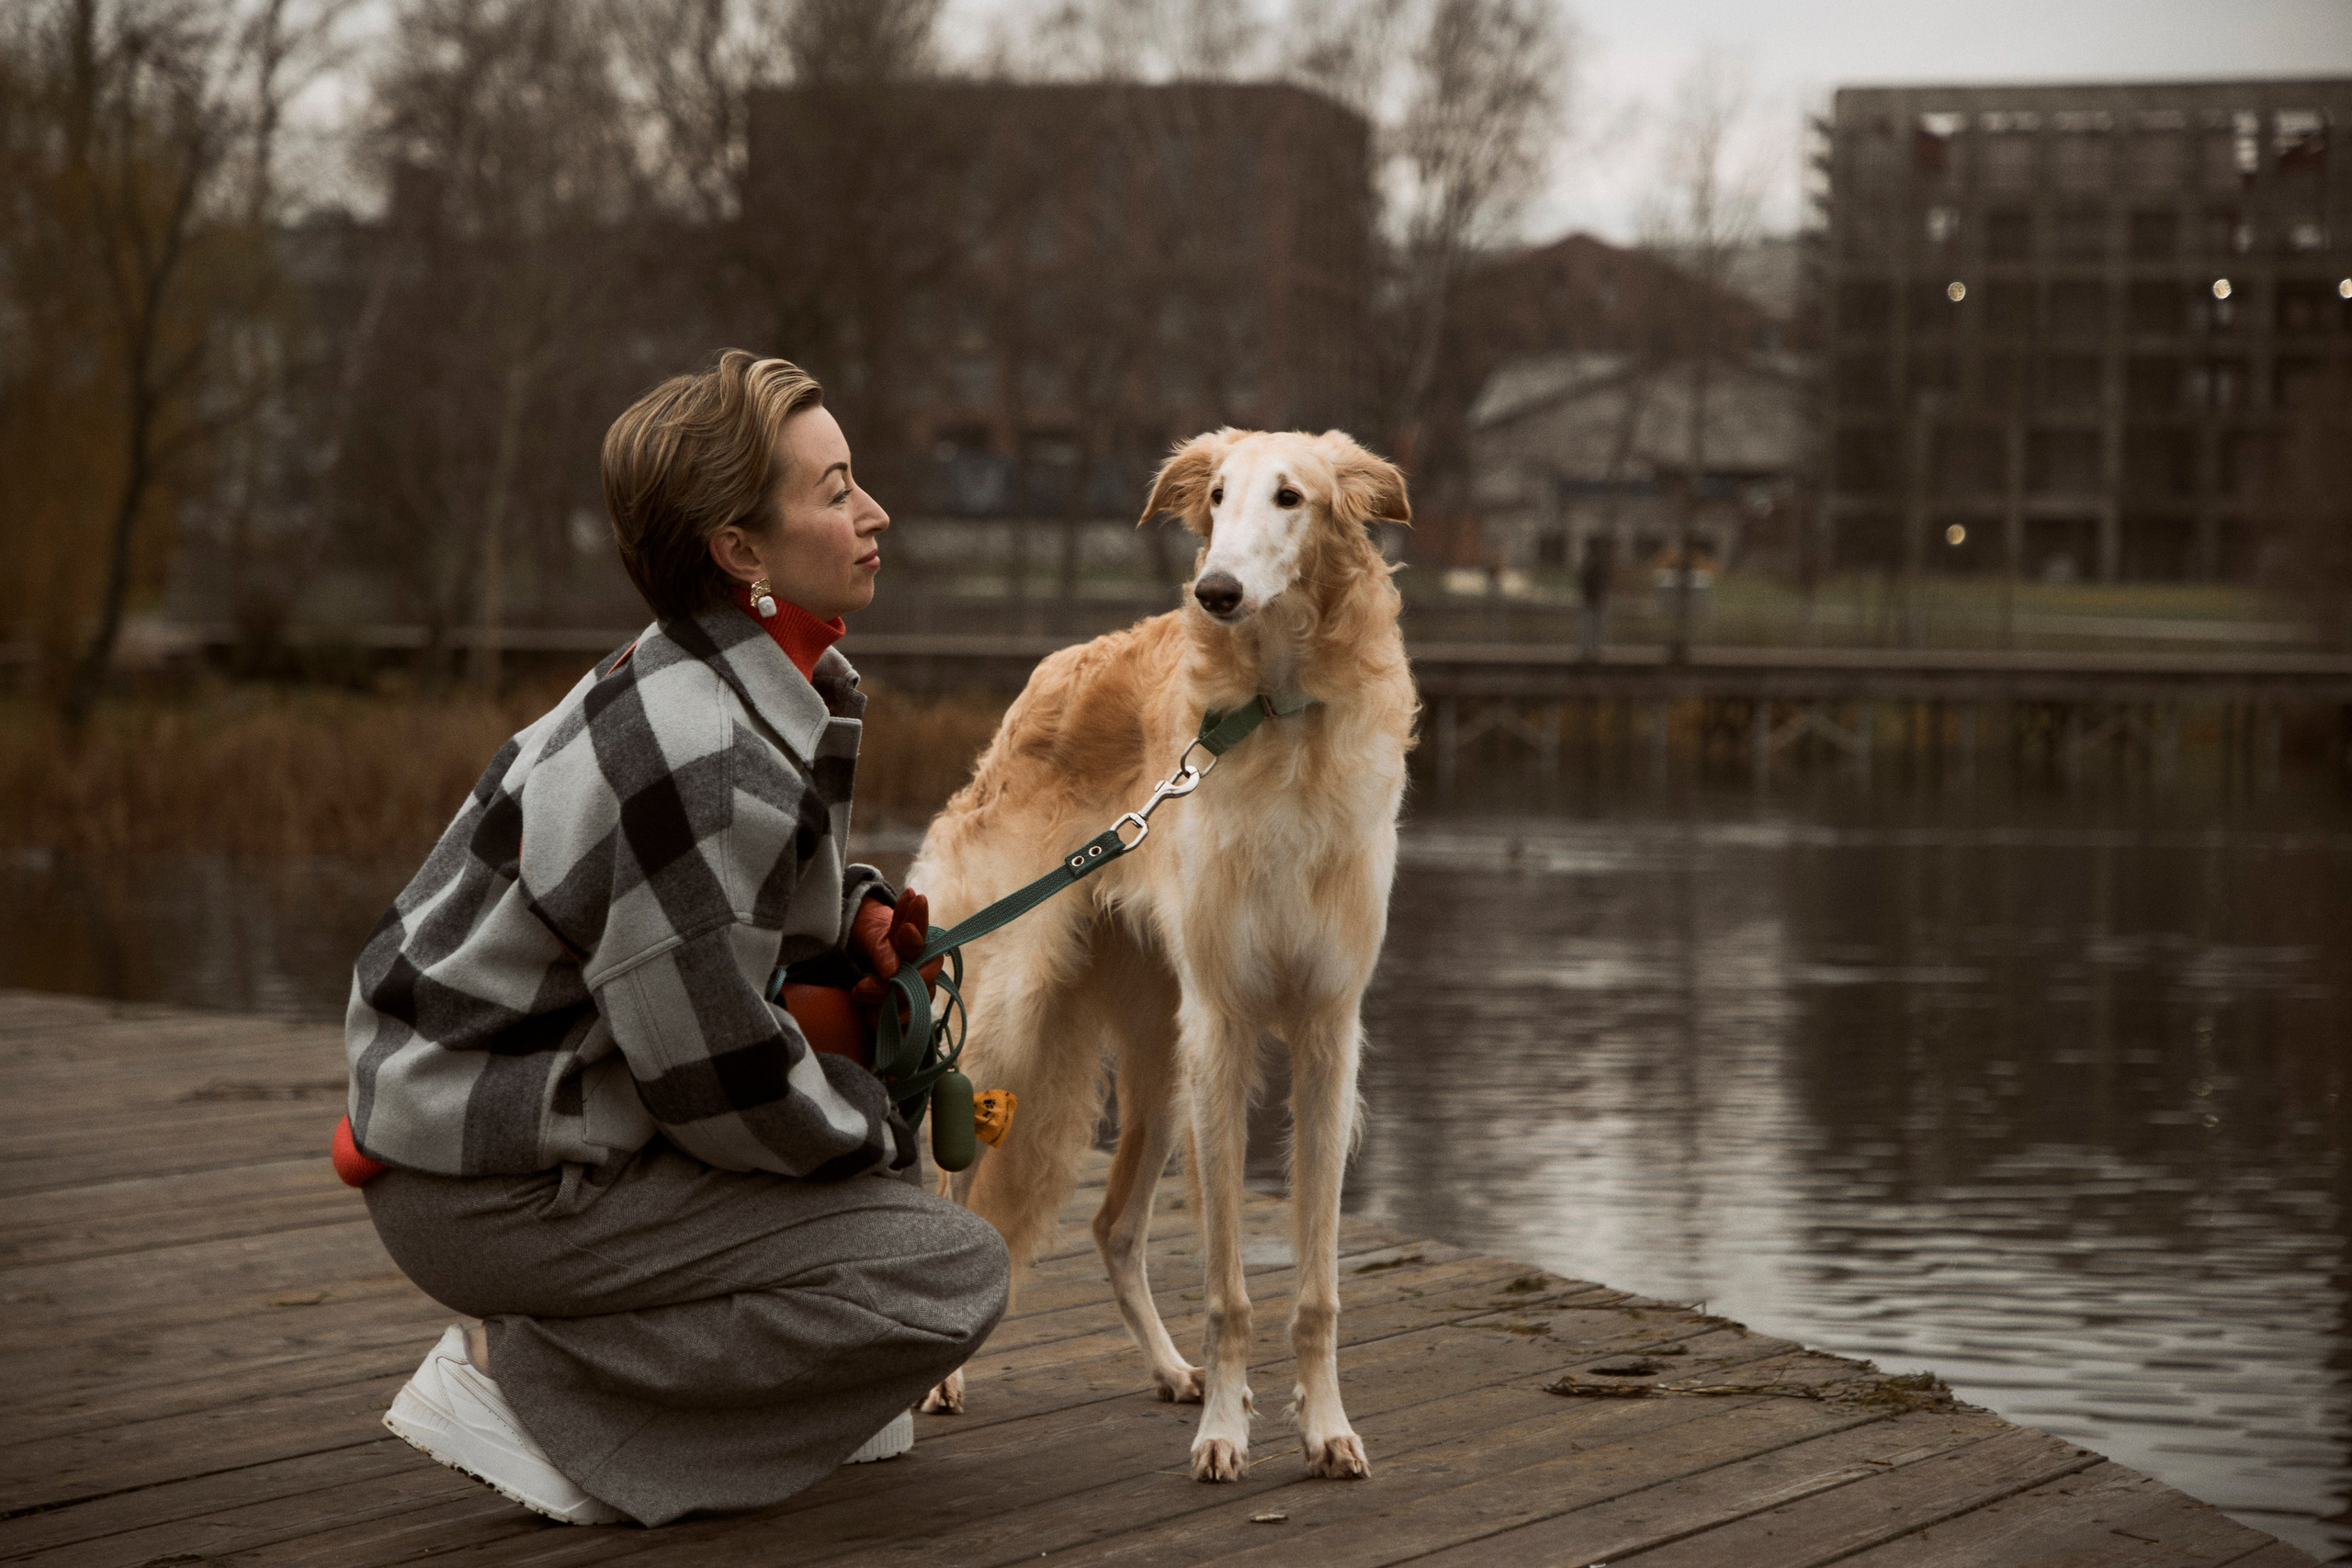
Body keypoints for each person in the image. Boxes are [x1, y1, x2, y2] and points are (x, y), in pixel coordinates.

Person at [342, 351, 1010, 1528]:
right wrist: (865, 1123)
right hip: (496, 1187)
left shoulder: (723, 680)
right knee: (945, 1267)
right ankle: (544, 1397)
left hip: (521, 1132)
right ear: (740, 552)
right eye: (835, 488)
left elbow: (715, 907)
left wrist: (849, 913)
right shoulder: (704, 749)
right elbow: (718, 1084)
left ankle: (647, 1389)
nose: (875, 513)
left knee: (885, 1166)